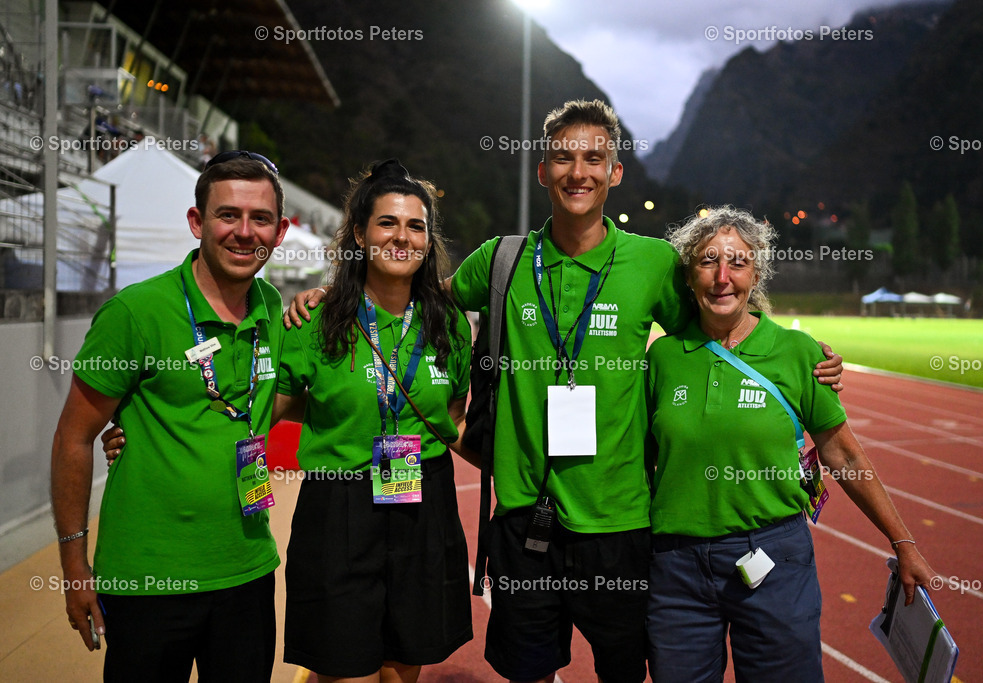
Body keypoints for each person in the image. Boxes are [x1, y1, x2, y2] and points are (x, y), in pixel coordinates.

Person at [286, 100, 844, 683]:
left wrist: (806, 363)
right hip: (525, 519)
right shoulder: (500, 261)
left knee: (624, 672)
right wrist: (334, 293)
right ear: (542, 170)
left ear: (615, 172)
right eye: (563, 157)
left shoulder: (652, 264)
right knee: (527, 672)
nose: (578, 171)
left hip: (620, 524)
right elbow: (415, 288)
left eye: (594, 158)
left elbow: (720, 324)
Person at [644, 206, 936, 682]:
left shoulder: (799, 354)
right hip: (676, 569)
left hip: (773, 560)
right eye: (707, 261)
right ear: (688, 273)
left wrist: (903, 542)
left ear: (756, 272)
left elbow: (844, 455)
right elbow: (644, 461)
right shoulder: (664, 357)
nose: (722, 277)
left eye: (737, 263)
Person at [51, 151, 289, 680]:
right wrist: (73, 567)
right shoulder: (136, 312)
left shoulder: (275, 308)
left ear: (281, 230)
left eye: (261, 218)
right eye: (228, 215)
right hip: (148, 581)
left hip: (247, 572)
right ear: (197, 221)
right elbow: (73, 437)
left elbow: (271, 400)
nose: (244, 232)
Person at [276, 159, 473, 682]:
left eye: (416, 226)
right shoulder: (314, 321)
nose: (401, 237)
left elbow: (451, 413)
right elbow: (268, 410)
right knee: (344, 667)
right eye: (387, 223)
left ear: (429, 241)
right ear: (360, 233)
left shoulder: (448, 324)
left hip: (422, 501)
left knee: (404, 664)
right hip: (338, 503)